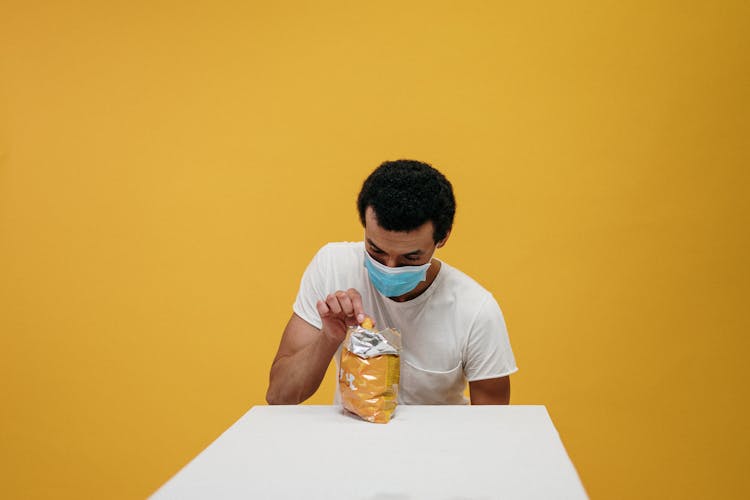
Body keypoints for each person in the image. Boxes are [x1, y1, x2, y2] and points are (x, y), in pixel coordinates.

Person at [266, 159, 517, 406]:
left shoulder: (476, 310)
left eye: (411, 257)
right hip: (353, 442)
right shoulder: (332, 266)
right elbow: (279, 396)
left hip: (439, 446)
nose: (390, 268)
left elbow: (490, 426)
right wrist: (328, 337)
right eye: (376, 251)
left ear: (443, 238)